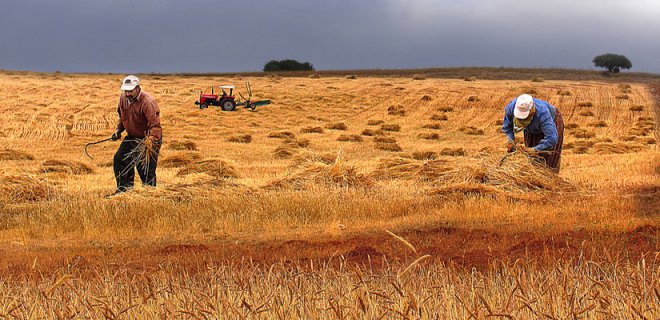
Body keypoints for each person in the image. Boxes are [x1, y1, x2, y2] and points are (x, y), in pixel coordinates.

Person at [108, 75, 163, 196]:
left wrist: (149, 142)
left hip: (149, 139)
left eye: (130, 91)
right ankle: (124, 191)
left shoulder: (147, 102)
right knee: (120, 159)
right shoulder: (123, 99)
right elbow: (122, 117)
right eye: (125, 91)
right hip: (132, 137)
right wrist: (118, 130)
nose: (127, 94)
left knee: (145, 168)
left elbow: (155, 126)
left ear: (138, 88)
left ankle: (149, 195)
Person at [501, 94, 564, 172]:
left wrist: (535, 150)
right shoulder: (511, 108)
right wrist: (511, 142)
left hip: (552, 122)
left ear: (532, 111)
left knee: (548, 162)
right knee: (531, 160)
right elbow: (507, 126)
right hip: (531, 129)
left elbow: (552, 139)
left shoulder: (543, 113)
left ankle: (549, 180)